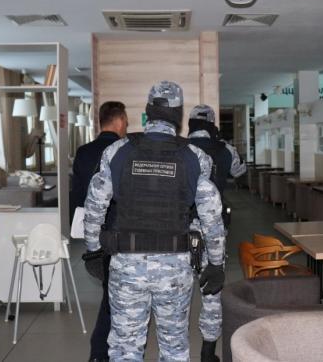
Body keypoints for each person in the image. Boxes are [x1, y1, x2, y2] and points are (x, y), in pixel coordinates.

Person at [83, 81, 226, 361]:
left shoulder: (118, 151)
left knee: (125, 349)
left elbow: (94, 205)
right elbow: (211, 216)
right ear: (179, 114)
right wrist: (216, 263)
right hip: (175, 269)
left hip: (126, 267)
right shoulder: (195, 157)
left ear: (148, 111)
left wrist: (92, 251)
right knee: (174, 348)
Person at [187, 104, 246, 362]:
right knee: (211, 291)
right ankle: (208, 353)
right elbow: (239, 171)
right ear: (213, 124)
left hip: (181, 229)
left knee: (177, 290)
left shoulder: (179, 148)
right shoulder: (225, 150)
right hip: (213, 230)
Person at [71, 101, 127, 362]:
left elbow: (77, 195)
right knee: (112, 294)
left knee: (110, 290)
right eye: (126, 122)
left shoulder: (83, 152)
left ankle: (105, 348)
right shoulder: (123, 150)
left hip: (95, 232)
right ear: (119, 120)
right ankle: (100, 350)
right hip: (119, 232)